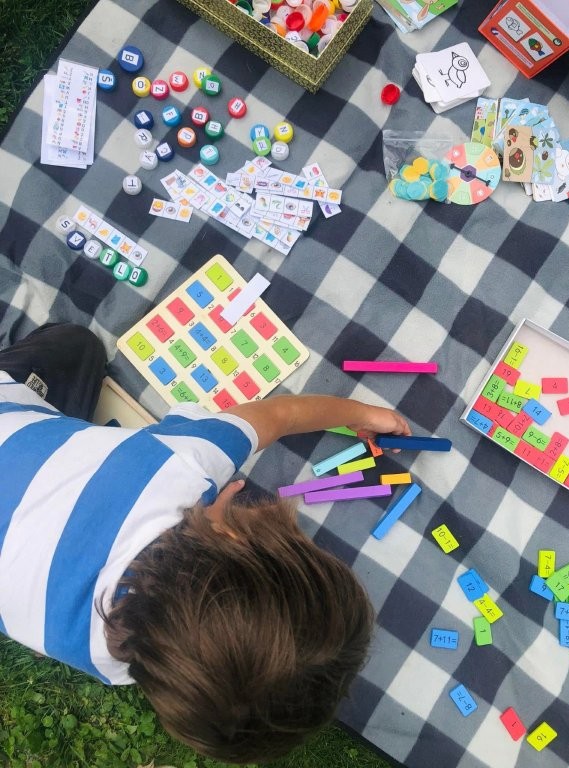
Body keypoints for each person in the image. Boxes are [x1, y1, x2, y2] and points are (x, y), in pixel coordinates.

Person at [0, 323, 411, 764]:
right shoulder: (109, 657)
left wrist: (363, 415)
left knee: (79, 346)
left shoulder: (184, 464)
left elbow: (281, 414)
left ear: (233, 534)